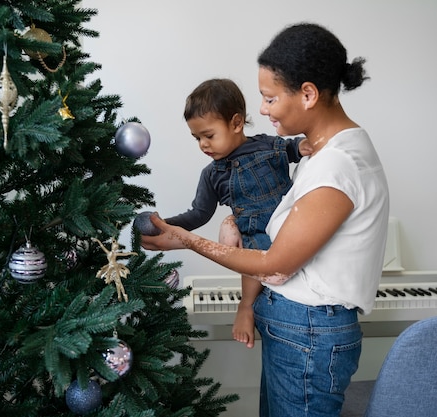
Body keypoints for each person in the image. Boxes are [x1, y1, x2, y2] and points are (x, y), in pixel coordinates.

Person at [142, 22, 389, 417]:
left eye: (270, 98)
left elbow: (274, 262)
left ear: (307, 94)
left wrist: (188, 240)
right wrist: (174, 232)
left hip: (307, 332)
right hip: (295, 326)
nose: (261, 109)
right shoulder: (326, 154)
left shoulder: (337, 165)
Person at [162, 78, 311, 349]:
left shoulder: (267, 146)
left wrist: (304, 147)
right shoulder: (212, 175)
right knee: (247, 244)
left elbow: (292, 148)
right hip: (254, 236)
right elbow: (198, 214)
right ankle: (246, 306)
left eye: (209, 135)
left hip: (289, 225)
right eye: (197, 138)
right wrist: (166, 225)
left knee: (284, 257)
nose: (203, 145)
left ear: (236, 123)